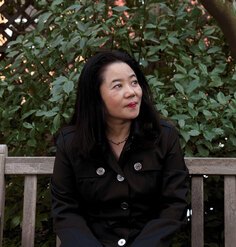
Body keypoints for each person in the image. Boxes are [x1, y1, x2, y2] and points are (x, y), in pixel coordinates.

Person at [51, 50, 189, 247]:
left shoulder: (164, 137)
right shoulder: (71, 143)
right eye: (118, 86)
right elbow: (65, 211)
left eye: (134, 82)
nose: (132, 92)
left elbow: (174, 205)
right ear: (95, 96)